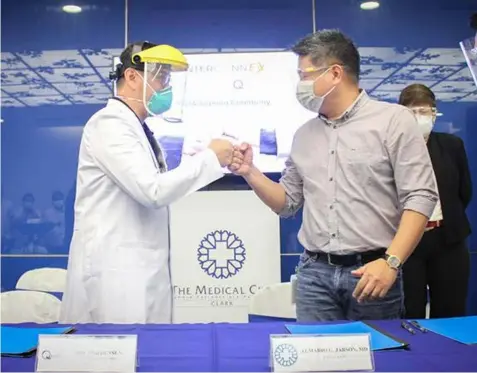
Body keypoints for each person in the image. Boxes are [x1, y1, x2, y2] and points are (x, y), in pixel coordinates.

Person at [230, 30, 438, 321]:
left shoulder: (393, 121)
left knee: (378, 359)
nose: (300, 84)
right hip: (314, 274)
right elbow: (287, 203)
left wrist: (391, 262)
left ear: (335, 73)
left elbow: (421, 196)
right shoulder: (304, 135)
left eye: (305, 75)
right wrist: (249, 172)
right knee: (313, 358)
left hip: (372, 271)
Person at [59, 41, 242, 324]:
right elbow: (152, 191)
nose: (166, 87)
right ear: (132, 76)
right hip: (115, 274)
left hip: (139, 269)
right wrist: (209, 159)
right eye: (161, 76)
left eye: (168, 77)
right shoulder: (109, 124)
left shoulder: (137, 129)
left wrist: (204, 159)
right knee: (114, 360)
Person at [398, 84, 472, 318]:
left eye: (425, 111)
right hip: (406, 242)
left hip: (448, 238)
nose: (420, 118)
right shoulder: (391, 148)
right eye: (413, 112)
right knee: (410, 311)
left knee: (451, 310)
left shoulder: (452, 145)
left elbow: (464, 191)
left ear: (434, 113)